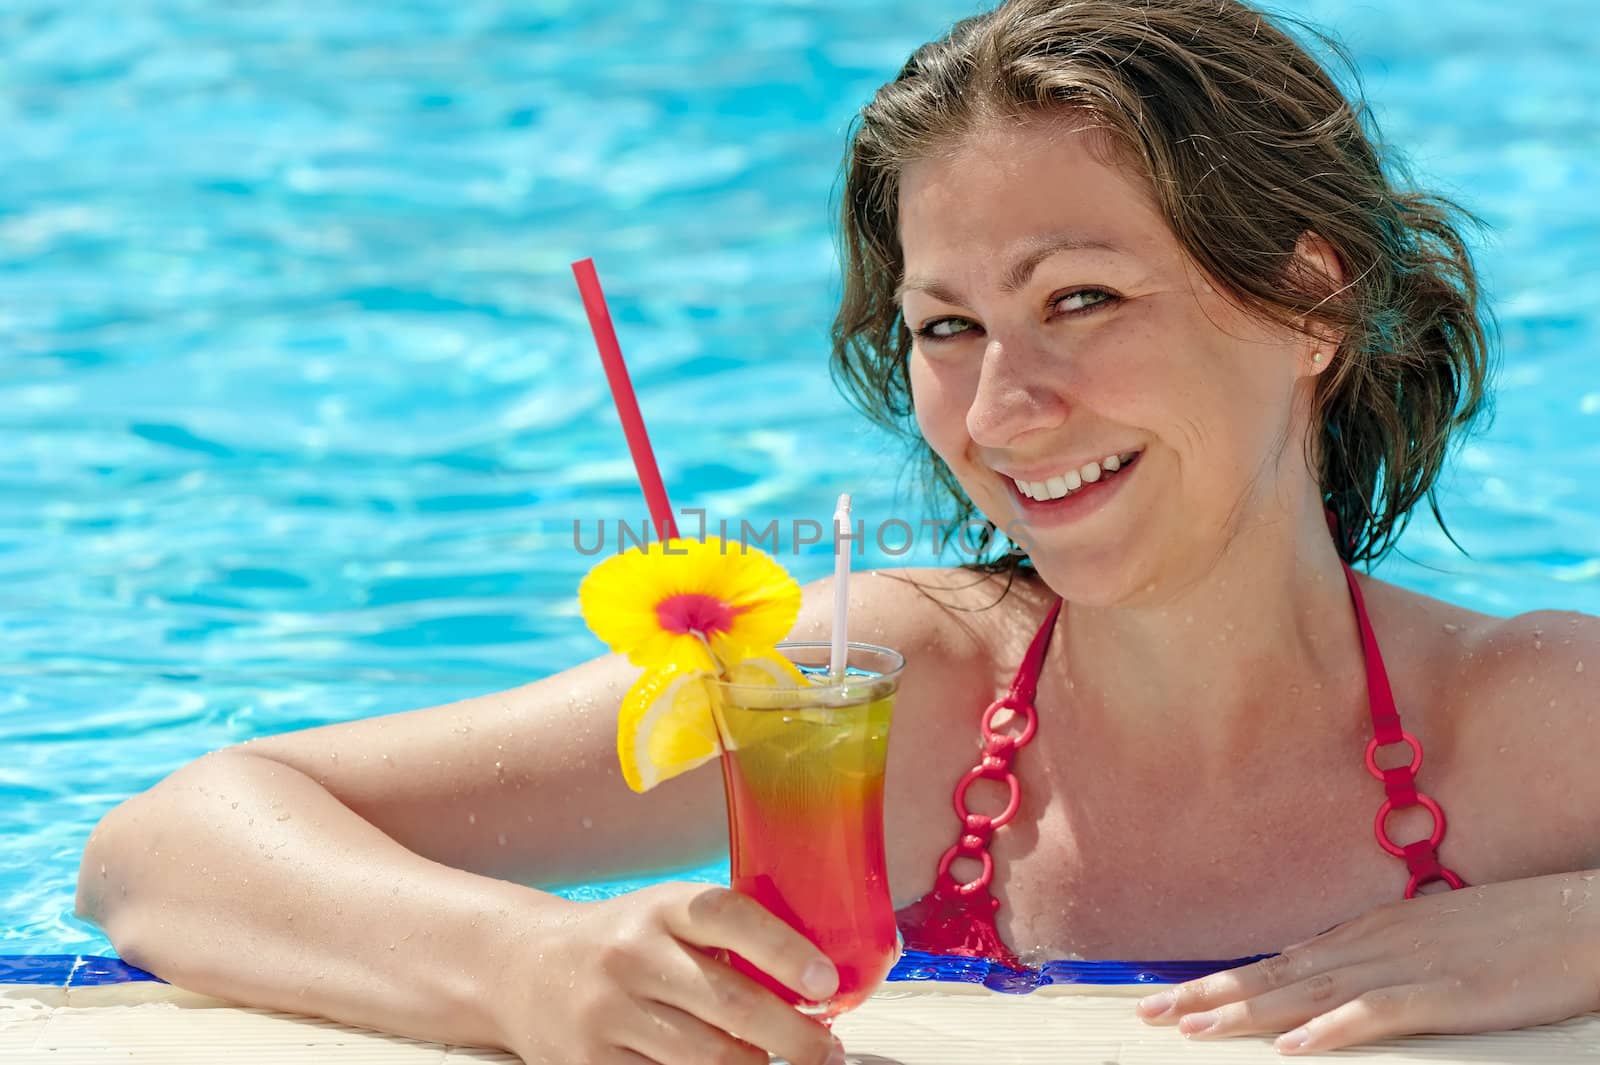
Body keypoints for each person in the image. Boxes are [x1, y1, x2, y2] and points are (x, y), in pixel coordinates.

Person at [77, 1, 1600, 1063]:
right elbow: (168, 842)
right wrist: (528, 967)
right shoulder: (873, 704)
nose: (1006, 405)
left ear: (1312, 302)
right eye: (948, 326)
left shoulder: (1523, 728)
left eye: (1082, 298)